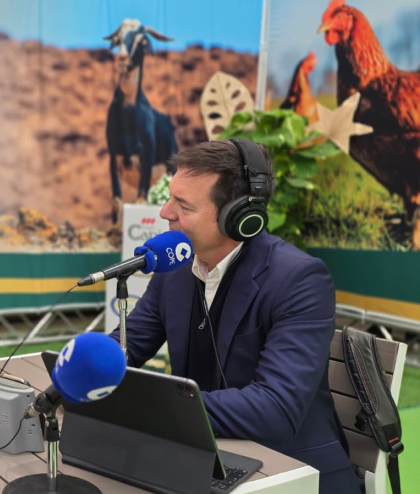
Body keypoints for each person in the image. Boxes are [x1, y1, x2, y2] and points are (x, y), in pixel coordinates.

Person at [110, 139, 358, 494]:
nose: (165, 212)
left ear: (239, 216)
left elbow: (275, 408)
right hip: (206, 460)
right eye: (170, 197)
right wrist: (84, 369)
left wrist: (154, 408)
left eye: (182, 204)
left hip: (291, 471)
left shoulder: (300, 279)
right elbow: (128, 343)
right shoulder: (174, 269)